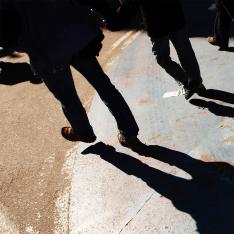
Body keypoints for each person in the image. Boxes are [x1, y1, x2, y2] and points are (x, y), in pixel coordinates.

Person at [2, 0, 141, 148]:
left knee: (68, 98)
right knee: (104, 87)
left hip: (44, 50)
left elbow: (6, 34)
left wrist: (26, 44)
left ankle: (83, 132)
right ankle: (129, 133)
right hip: (75, 37)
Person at [114, 0, 205, 99]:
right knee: (185, 50)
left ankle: (187, 82)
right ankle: (195, 82)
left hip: (156, 23)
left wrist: (116, 20)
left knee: (163, 58)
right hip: (174, 14)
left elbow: (131, 5)